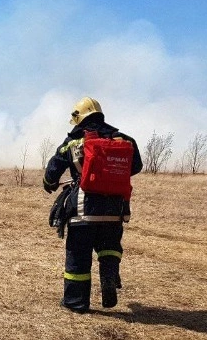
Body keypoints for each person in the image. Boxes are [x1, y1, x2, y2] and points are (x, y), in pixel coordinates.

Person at [43, 97, 142, 313]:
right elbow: (136, 166)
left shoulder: (73, 143)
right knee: (109, 248)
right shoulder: (124, 140)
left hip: (83, 211)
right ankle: (108, 276)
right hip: (115, 210)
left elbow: (52, 171)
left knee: (78, 257)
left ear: (79, 118)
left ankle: (76, 302)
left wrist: (49, 183)